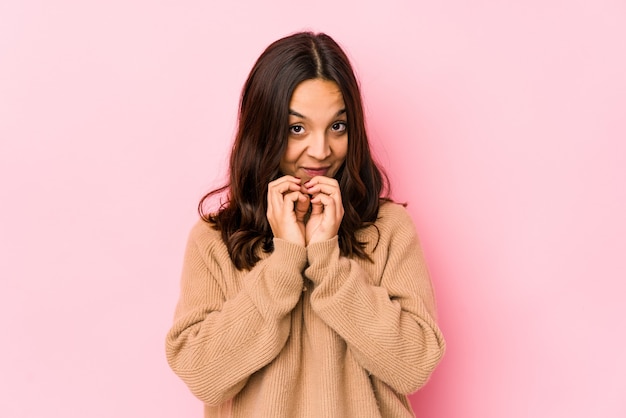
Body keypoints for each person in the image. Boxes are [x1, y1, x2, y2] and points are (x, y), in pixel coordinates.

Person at [165, 31, 445, 418]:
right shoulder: (215, 240)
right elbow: (203, 376)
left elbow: (414, 366)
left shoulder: (388, 229)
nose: (321, 150)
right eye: (297, 128)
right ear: (264, 130)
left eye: (338, 126)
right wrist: (285, 263)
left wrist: (327, 261)